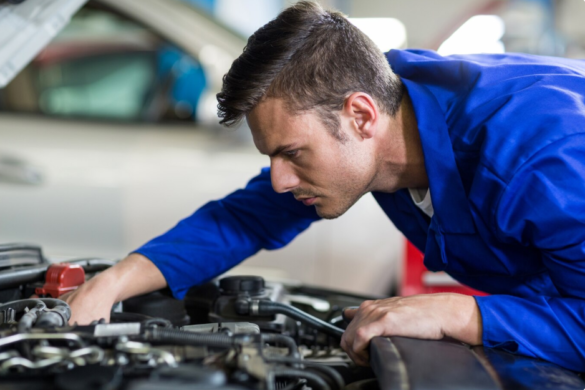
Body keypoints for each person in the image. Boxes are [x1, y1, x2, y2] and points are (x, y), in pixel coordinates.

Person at [63, 1, 585, 371]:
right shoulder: (389, 102)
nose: (279, 180)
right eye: (271, 156)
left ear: (360, 116)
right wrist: (110, 284)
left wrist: (459, 311)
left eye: (291, 153)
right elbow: (245, 217)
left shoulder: (540, 161)